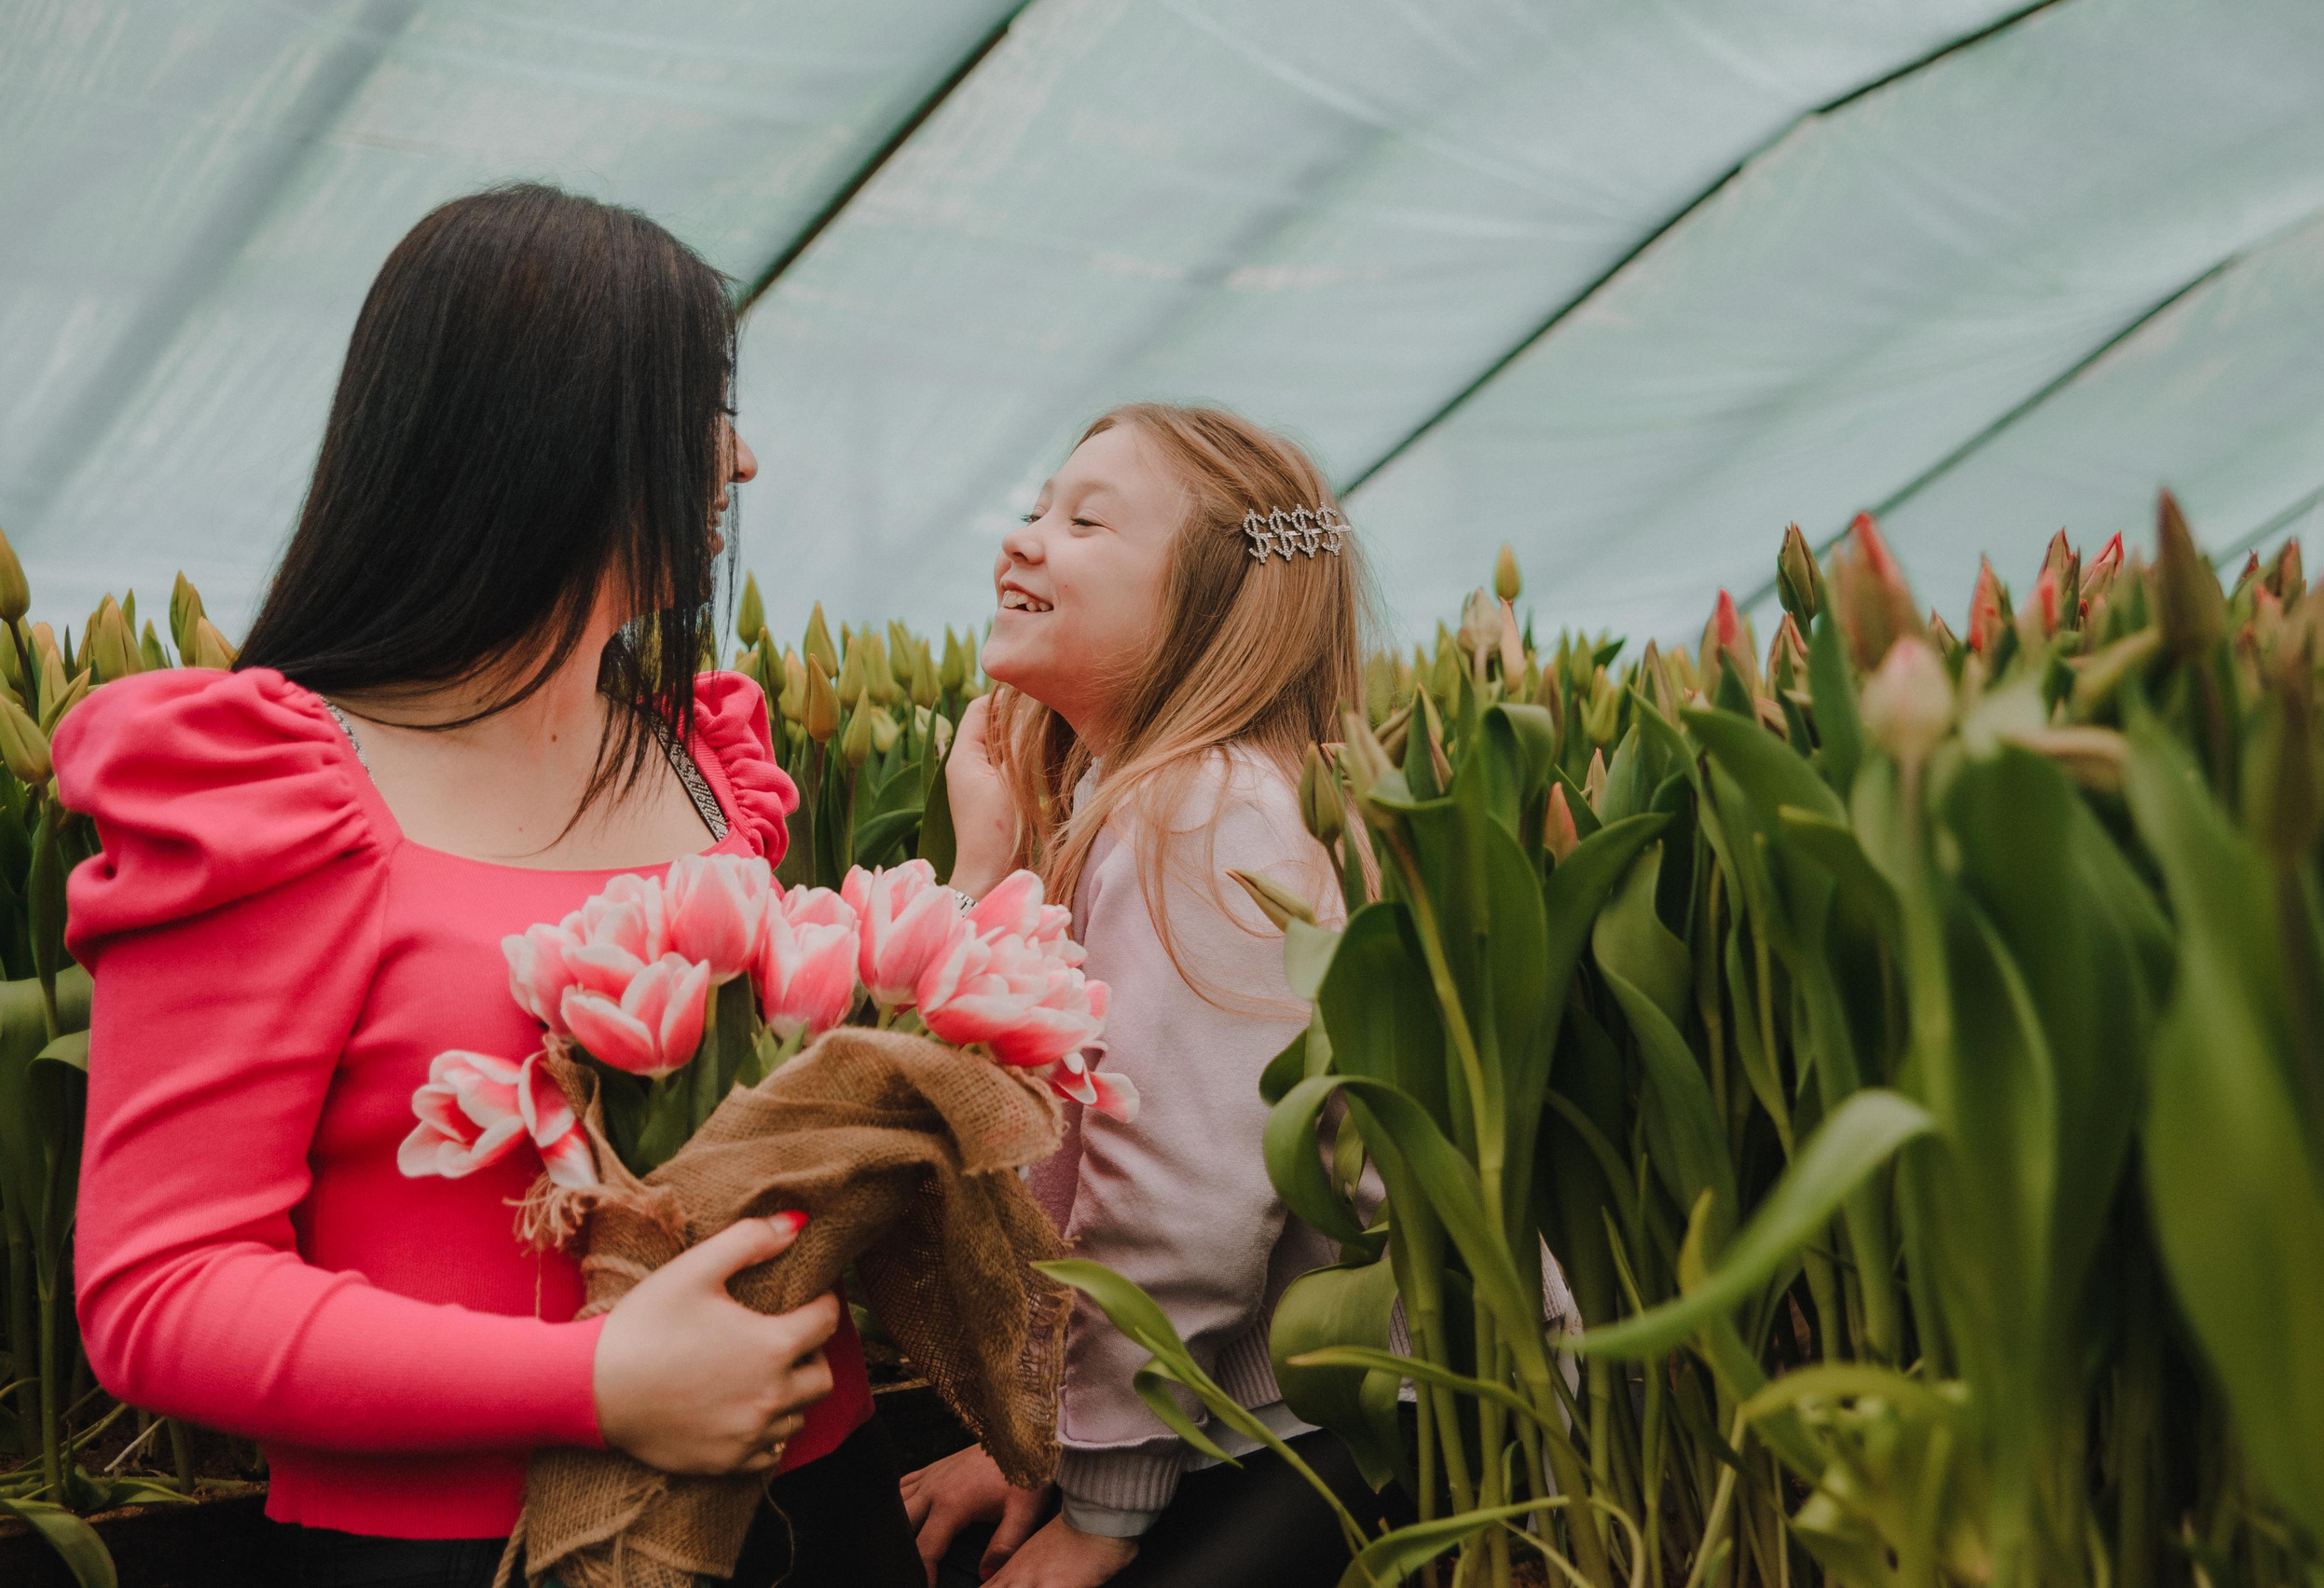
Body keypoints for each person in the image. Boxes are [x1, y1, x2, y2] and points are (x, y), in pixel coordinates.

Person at [55, 185, 920, 1587]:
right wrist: (592, 1385)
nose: (739, 462)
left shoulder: (707, 755)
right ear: (556, 435)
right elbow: (161, 1291)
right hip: (473, 1556)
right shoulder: (268, 787)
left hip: (819, 1509)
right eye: (698, 409)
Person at [901, 404, 1403, 1588]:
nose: (1022, 539)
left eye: (1083, 521)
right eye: (1035, 507)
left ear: (1207, 605)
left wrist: (1100, 1514)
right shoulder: (1156, 800)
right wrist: (1031, 1442)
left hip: (1349, 1416)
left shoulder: (1201, 815)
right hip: (1255, 1395)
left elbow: (1176, 1211)